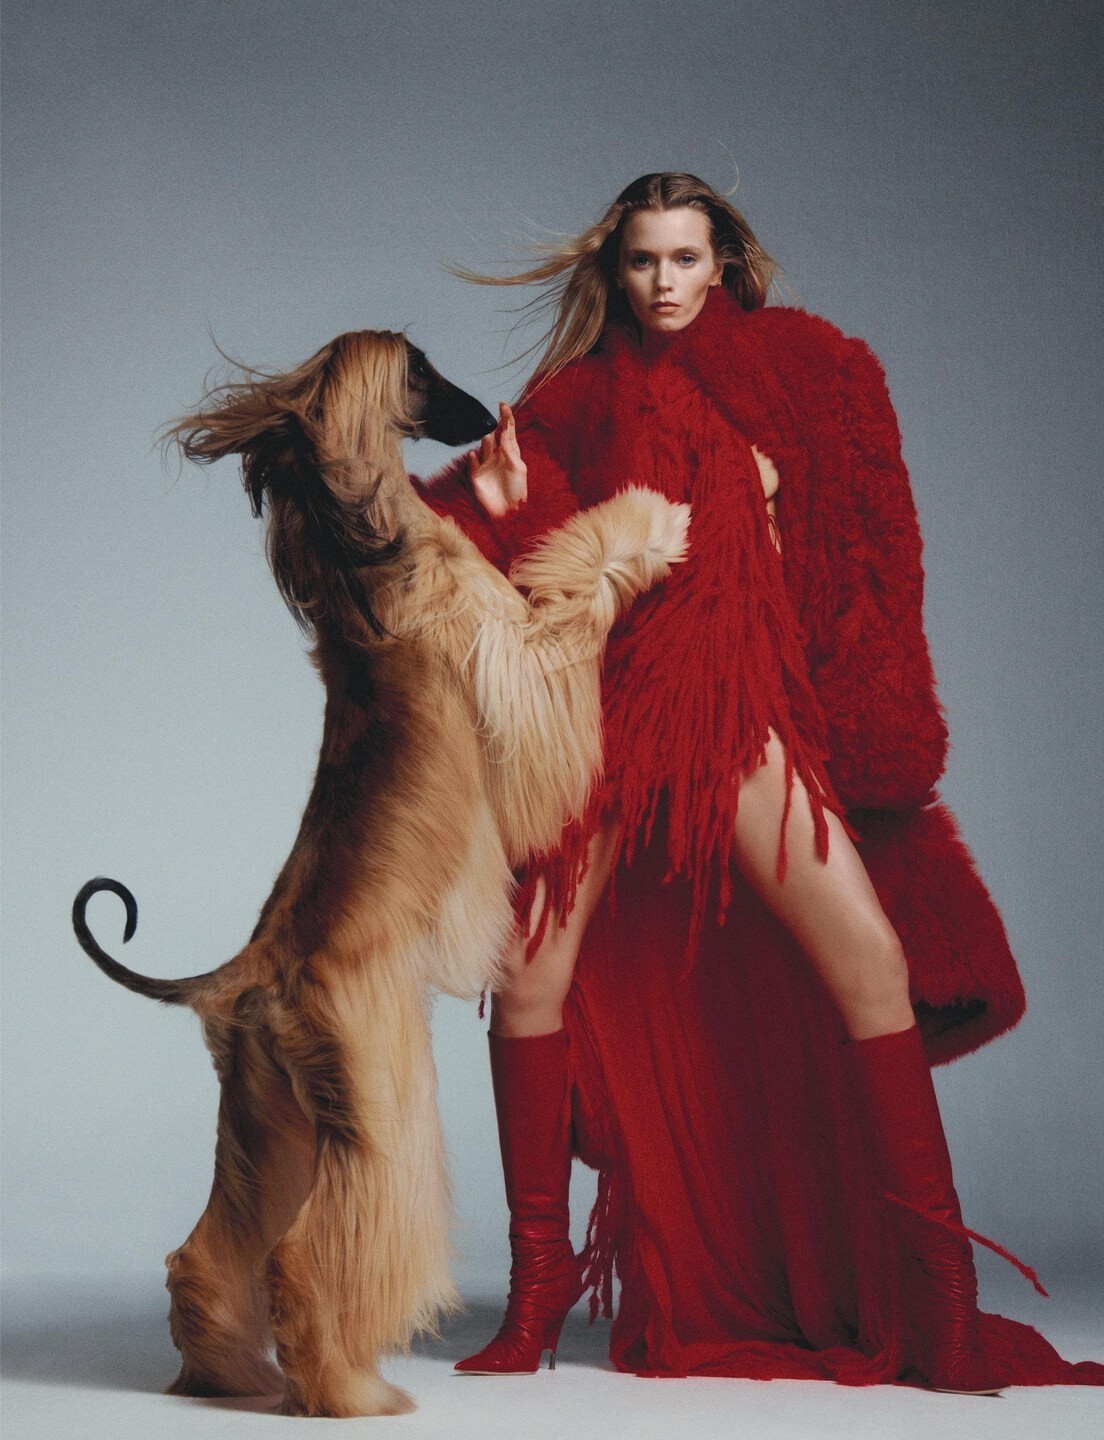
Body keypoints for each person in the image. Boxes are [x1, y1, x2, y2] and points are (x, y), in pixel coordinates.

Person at [418, 173, 1103, 1391]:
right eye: (643, 260)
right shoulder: (575, 398)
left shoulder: (808, 372)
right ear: (617, 270)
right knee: (527, 976)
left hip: (736, 705)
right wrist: (502, 509)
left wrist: (866, 709)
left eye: (685, 258)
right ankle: (536, 1291)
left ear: (724, 261)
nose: (664, 282)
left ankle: (944, 1303)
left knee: (872, 960)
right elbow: (520, 575)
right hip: (609, 712)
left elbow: (875, 560)